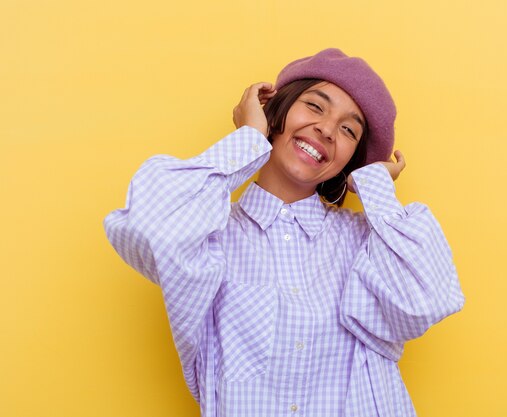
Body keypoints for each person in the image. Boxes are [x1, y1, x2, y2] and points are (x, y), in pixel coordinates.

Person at [104, 48, 465, 417]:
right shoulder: (210, 237)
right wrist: (248, 139)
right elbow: (144, 228)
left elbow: (428, 300)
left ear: (352, 158)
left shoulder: (367, 245)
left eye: (348, 130)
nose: (326, 129)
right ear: (277, 112)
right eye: (315, 106)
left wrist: (376, 188)